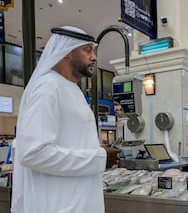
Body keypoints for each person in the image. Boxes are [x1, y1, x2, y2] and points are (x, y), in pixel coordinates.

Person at [11, 26, 120, 213]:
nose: (93, 57)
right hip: (58, 205)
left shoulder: (71, 88)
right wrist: (97, 158)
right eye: (87, 50)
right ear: (67, 52)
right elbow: (33, 153)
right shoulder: (47, 88)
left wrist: (96, 152)